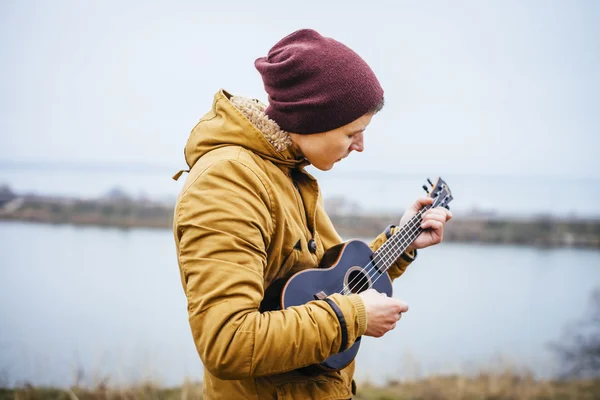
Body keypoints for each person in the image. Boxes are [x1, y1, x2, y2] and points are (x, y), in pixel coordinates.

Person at [172, 28, 452, 400]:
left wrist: (400, 242)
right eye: (353, 131)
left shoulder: (289, 173)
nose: (361, 146)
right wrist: (355, 316)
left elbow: (323, 283)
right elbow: (229, 342)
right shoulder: (228, 181)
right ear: (312, 118)